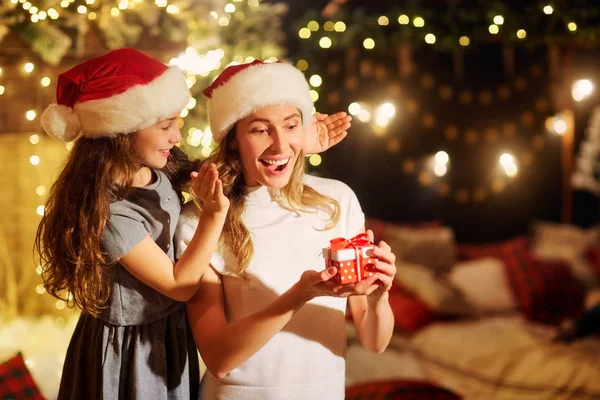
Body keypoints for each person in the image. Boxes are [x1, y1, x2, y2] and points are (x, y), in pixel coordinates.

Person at [35, 49, 349, 400]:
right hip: (132, 349)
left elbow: (226, 166)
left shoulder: (158, 168)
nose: (177, 137)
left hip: (170, 333)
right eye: (166, 126)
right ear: (122, 131)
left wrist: (292, 140)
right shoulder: (111, 212)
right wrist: (214, 216)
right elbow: (181, 285)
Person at [176, 60, 397, 399]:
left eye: (291, 126)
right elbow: (219, 359)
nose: (280, 146)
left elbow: (374, 342)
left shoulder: (337, 200)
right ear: (233, 139)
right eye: (260, 130)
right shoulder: (202, 219)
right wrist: (300, 295)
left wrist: (381, 296)